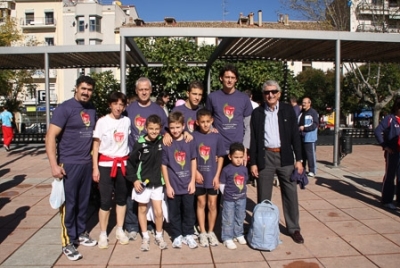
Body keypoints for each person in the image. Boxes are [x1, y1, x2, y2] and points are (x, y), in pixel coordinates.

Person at [45, 76, 98, 261]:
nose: (86, 92)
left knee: (83, 202)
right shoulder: (64, 108)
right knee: (69, 204)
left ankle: (81, 232)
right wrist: (53, 165)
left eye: (89, 89)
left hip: (86, 163)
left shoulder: (91, 109)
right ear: (76, 88)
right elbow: (50, 136)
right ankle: (68, 242)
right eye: (83, 88)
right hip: (68, 163)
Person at [249, 80, 304, 244]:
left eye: (273, 92)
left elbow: (296, 136)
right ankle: (263, 227)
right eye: (267, 92)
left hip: (285, 157)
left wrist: (299, 160)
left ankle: (294, 228)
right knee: (264, 196)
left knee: (290, 194)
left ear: (279, 93)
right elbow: (254, 139)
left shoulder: (288, 110)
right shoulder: (257, 113)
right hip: (265, 157)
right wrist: (253, 162)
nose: (270, 95)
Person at [124, 77, 168, 241]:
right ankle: (132, 225)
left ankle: (150, 225)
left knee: (151, 193)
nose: (143, 92)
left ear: (150, 91)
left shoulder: (158, 109)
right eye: (141, 89)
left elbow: (166, 129)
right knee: (134, 193)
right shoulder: (129, 109)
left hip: (152, 158)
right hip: (134, 155)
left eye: (146, 89)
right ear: (136, 91)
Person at [92, 91, 131, 249]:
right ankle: (103, 233)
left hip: (123, 164)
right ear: (110, 105)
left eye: (121, 104)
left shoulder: (127, 121)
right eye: (115, 104)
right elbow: (96, 145)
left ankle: (120, 230)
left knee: (122, 199)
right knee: (105, 201)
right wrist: (95, 167)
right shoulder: (102, 122)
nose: (118, 107)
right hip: (106, 165)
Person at [127, 114, 168, 251]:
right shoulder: (139, 143)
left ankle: (159, 235)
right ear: (145, 128)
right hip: (143, 184)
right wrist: (134, 180)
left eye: (157, 129)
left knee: (158, 211)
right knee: (142, 209)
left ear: (161, 128)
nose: (154, 132)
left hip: (158, 183)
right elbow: (131, 164)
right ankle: (145, 236)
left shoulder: (163, 141)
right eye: (151, 129)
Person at [161, 111, 198, 249]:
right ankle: (176, 235)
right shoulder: (167, 143)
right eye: (172, 128)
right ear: (168, 128)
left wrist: (193, 181)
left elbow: (193, 160)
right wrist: (168, 186)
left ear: (183, 126)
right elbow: (163, 165)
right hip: (173, 185)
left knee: (189, 210)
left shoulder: (189, 140)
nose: (175, 130)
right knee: (174, 212)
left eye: (178, 127)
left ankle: (188, 233)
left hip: (187, 184)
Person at [206, 64, 253, 164]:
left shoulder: (244, 98)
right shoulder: (212, 97)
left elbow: (249, 125)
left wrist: (245, 147)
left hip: (238, 151)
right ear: (221, 78)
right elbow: (206, 120)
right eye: (227, 77)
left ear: (236, 79)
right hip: (218, 149)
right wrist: (210, 130)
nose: (230, 80)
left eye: (232, 78)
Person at [193, 108, 224, 247]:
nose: (205, 124)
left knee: (212, 204)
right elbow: (190, 158)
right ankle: (203, 232)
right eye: (202, 122)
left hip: (212, 177)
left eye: (208, 121)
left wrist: (217, 176)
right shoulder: (193, 137)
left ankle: (211, 231)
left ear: (212, 121)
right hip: (199, 177)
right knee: (201, 204)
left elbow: (221, 156)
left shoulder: (217, 136)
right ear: (197, 122)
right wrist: (195, 173)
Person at [219, 142, 248, 250]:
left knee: (240, 217)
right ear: (230, 156)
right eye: (236, 157)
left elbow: (245, 182)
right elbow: (222, 184)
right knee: (228, 218)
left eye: (241, 157)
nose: (239, 160)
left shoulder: (244, 169)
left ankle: (238, 234)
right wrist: (226, 195)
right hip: (229, 199)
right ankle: (227, 237)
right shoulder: (226, 169)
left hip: (242, 198)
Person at [374, 97, 400, 210]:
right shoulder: (390, 119)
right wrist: (385, 146)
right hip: (393, 152)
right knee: (390, 176)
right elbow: (378, 131)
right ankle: (386, 200)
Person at [298, 97, 319, 177]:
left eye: (305, 102)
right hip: (301, 136)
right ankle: (302, 168)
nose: (303, 104)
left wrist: (305, 128)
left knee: (310, 155)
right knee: (302, 154)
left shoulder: (313, 112)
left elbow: (315, 124)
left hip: (310, 137)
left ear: (309, 103)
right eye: (303, 102)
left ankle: (312, 170)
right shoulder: (301, 112)